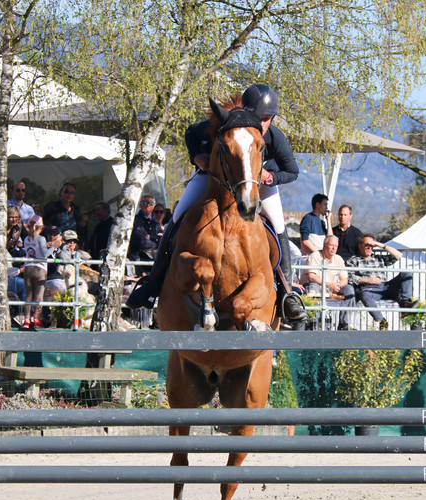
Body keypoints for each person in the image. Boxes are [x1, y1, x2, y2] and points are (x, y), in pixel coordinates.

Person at [128, 84, 307, 328]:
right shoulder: (223, 124)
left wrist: (270, 176)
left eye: (266, 119)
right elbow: (191, 133)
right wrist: (197, 157)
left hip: (259, 184)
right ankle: (153, 283)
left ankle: (287, 294)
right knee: (177, 216)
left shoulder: (274, 136)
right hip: (214, 178)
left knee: (278, 225)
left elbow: (292, 171)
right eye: (258, 116)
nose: (261, 123)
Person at [347, 233, 417, 330]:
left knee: (406, 273)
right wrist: (367, 280)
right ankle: (382, 321)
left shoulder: (378, 258)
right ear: (360, 245)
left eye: (372, 245)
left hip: (386, 286)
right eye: (367, 244)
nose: (369, 247)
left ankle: (406, 303)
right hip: (370, 289)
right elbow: (349, 276)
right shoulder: (354, 260)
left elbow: (398, 255)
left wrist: (381, 245)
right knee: (364, 294)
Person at [300, 235, 355, 330]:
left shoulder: (338, 259)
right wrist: (330, 285)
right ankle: (312, 322)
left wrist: (338, 286)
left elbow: (345, 279)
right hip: (314, 286)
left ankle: (344, 324)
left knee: (349, 289)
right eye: (331, 245)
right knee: (313, 286)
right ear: (324, 246)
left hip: (330, 289)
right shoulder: (315, 256)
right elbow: (311, 277)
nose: (334, 248)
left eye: (336, 246)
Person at [21, 215, 47, 329]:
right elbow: (45, 255)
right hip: (40, 268)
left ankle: (26, 319)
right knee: (39, 295)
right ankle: (37, 319)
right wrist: (54, 247)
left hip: (28, 267)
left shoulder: (26, 239)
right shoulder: (41, 238)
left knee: (28, 295)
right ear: (41, 227)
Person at [128, 194, 162, 262]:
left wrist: (150, 237)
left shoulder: (156, 223)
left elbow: (163, 239)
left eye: (150, 203)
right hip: (139, 257)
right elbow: (141, 241)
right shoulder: (134, 221)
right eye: (144, 203)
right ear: (140, 205)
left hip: (154, 257)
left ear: (154, 206)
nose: (147, 205)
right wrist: (156, 243)